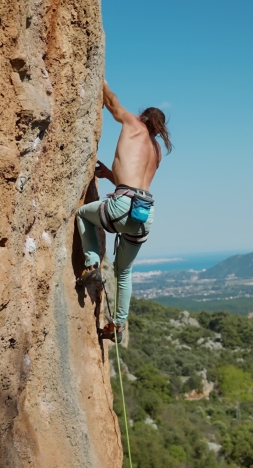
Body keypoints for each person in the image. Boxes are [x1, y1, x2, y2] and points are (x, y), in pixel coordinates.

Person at [75, 80, 172, 342]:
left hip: (123, 206)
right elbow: (134, 178)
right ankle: (117, 326)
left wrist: (101, 81)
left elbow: (112, 103)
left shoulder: (133, 124)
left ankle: (91, 264)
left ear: (142, 117)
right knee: (124, 272)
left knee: (83, 214)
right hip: (144, 214)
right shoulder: (157, 151)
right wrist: (109, 175)